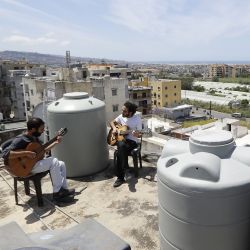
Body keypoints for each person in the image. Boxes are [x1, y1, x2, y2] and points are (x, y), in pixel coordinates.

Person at [2, 117, 75, 202]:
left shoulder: (34, 137)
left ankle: (64, 189)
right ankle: (57, 193)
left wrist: (56, 142)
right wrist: (26, 153)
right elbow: (5, 154)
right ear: (33, 129)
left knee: (61, 163)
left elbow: (42, 150)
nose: (43, 131)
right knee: (53, 161)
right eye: (41, 129)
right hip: (24, 169)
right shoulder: (21, 139)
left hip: (32, 164)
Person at [110, 101, 142, 188]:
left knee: (120, 148)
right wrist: (114, 129)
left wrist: (137, 134)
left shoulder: (137, 119)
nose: (122, 112)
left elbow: (139, 134)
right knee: (121, 145)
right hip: (122, 141)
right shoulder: (121, 116)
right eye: (122, 110)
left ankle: (120, 177)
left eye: (124, 111)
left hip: (132, 142)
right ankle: (125, 168)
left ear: (130, 112)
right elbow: (112, 122)